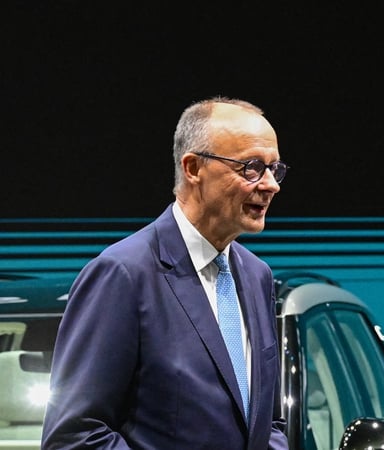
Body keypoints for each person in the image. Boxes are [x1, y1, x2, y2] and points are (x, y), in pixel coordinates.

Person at [42, 97, 290, 449]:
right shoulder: (123, 274)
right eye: (251, 167)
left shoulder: (256, 276)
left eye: (275, 169)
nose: (270, 184)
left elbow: (269, 423)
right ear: (193, 168)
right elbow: (74, 437)